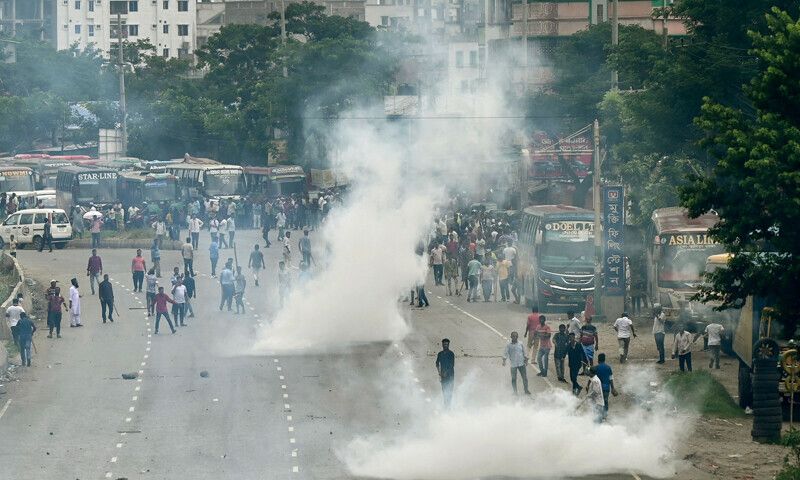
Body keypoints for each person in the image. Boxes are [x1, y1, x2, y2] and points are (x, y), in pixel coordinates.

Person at [594, 353, 618, 419]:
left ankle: (598, 415)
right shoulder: (608, 368)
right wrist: (613, 388)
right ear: (604, 359)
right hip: (606, 388)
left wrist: (588, 386)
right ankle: (605, 415)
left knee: (598, 401)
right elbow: (611, 378)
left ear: (598, 360)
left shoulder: (596, 368)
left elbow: (592, 378)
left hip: (598, 388)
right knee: (605, 401)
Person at [436, 338, 455, 408]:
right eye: (444, 344)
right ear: (442, 345)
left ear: (448, 345)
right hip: (443, 376)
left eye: (446, 344)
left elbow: (451, 365)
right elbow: (437, 363)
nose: (445, 346)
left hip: (450, 376)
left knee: (449, 391)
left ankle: (448, 406)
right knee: (444, 391)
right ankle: (446, 406)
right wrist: (439, 373)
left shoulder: (451, 354)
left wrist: (445, 372)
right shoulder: (440, 354)